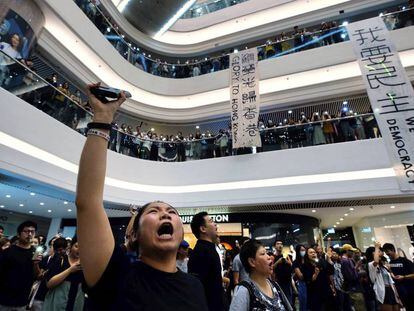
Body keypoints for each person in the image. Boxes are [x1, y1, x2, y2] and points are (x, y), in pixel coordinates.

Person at [75, 83, 208, 310]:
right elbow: (88, 203)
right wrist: (102, 119)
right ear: (134, 234)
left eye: (171, 212)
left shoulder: (195, 285)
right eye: (154, 211)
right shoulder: (116, 275)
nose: (165, 214)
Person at [229, 239, 292, 311]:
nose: (268, 257)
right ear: (252, 262)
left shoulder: (275, 286)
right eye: (263, 254)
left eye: (267, 253)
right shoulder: (243, 291)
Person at [0, 221, 42, 310]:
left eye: (32, 232)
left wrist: (36, 264)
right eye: (26, 231)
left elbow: (37, 276)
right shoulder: (8, 251)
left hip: (22, 300)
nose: (30, 234)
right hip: (4, 298)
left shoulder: (36, 253)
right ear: (19, 234)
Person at [188, 212, 224, 311]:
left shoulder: (208, 249)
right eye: (211, 221)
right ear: (203, 229)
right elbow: (198, 287)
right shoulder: (201, 252)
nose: (215, 224)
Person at [43, 236, 85, 311]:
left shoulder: (86, 264)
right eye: (76, 246)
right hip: (57, 302)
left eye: (83, 247)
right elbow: (49, 284)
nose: (79, 250)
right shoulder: (61, 260)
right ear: (70, 246)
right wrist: (70, 270)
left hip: (76, 303)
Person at [367, 242, 402, 311]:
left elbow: (391, 281)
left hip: (391, 290)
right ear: (373, 254)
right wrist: (376, 247)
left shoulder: (383, 266)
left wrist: (397, 296)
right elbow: (376, 261)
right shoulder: (371, 265)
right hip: (383, 292)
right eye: (378, 251)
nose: (381, 252)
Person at [382, 243, 414, 311]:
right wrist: (389, 270)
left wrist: (404, 277)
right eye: (385, 252)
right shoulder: (390, 263)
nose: (387, 254)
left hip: (411, 290)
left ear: (393, 250)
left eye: (387, 251)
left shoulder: (405, 261)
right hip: (401, 292)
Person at [341, 244, 366, 311]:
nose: (353, 253)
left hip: (354, 288)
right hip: (354, 289)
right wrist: (361, 273)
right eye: (351, 251)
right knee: (360, 308)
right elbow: (351, 276)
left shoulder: (347, 260)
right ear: (347, 251)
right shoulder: (346, 261)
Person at [273, 240, 294, 305]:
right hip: (278, 281)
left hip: (288, 281)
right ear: (274, 246)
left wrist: (289, 263)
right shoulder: (272, 257)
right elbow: (271, 268)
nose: (280, 245)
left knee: (289, 301)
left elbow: (293, 268)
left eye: (281, 244)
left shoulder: (287, 256)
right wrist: (278, 262)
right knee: (280, 300)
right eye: (278, 244)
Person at [293, 244, 307, 311]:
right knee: (304, 304)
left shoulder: (308, 261)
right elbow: (300, 276)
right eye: (302, 250)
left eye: (304, 250)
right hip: (302, 285)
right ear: (298, 251)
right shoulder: (296, 263)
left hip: (311, 285)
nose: (303, 251)